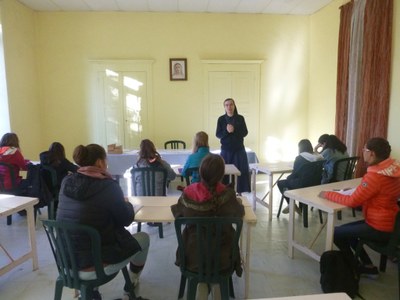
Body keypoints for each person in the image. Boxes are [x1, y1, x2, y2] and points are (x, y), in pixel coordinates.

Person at [56, 144, 150, 299]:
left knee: (90, 235)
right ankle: (131, 283)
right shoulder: (108, 186)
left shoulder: (67, 182)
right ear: (100, 162)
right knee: (144, 238)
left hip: (66, 262)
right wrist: (126, 204)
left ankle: (89, 292)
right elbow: (126, 220)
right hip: (96, 265)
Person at [319, 137, 400, 278]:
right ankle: (368, 266)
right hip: (391, 221)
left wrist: (327, 194)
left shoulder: (375, 177)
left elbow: (352, 201)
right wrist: (362, 189)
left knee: (336, 233)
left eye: (365, 149)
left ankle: (356, 267)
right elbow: (377, 192)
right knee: (349, 231)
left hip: (378, 226)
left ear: (372, 153)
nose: (363, 152)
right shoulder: (394, 167)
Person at [171, 153, 245, 299]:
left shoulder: (188, 194)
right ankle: (216, 287)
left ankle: (202, 287)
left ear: (201, 172)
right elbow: (238, 212)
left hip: (193, 257)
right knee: (217, 259)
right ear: (221, 174)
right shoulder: (228, 196)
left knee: (200, 252)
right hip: (223, 258)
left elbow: (177, 212)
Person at [278, 139, 324, 214]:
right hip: (315, 184)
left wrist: (288, 178)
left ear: (300, 148)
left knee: (281, 183)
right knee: (291, 182)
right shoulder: (319, 157)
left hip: (303, 185)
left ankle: (291, 205)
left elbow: (294, 174)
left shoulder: (300, 158)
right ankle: (292, 205)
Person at [216, 98, 250, 194]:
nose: (229, 107)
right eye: (226, 105)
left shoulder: (240, 118)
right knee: (225, 173)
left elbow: (245, 132)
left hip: (239, 150)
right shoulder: (221, 119)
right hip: (226, 150)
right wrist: (227, 131)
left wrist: (234, 130)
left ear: (234, 106)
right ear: (224, 107)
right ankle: (225, 192)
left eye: (231, 104)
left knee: (240, 172)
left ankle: (239, 192)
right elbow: (218, 135)